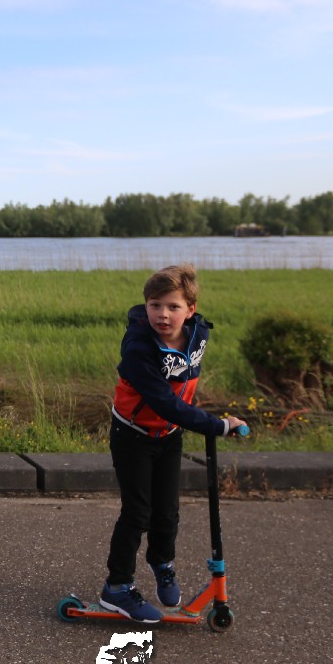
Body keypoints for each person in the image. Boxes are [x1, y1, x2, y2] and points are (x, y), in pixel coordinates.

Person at [101, 264, 245, 623]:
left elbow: (183, 390)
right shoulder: (139, 347)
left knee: (167, 512)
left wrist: (205, 420)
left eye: (172, 306)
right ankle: (116, 588)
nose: (162, 315)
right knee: (138, 513)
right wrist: (217, 425)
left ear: (190, 310)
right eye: (154, 305)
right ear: (146, 306)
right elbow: (164, 402)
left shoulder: (197, 335)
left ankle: (161, 562)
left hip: (169, 435)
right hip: (132, 435)